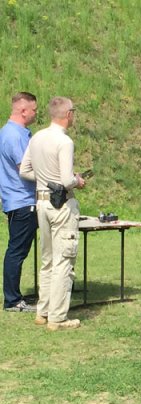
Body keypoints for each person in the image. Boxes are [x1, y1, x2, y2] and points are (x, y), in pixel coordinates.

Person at [19, 96, 87, 330]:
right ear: (68, 114)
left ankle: (43, 310)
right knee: (63, 260)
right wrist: (77, 180)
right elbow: (67, 180)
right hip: (61, 205)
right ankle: (58, 317)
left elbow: (24, 170)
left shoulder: (37, 137)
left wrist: (46, 180)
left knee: (47, 259)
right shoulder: (65, 142)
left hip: (41, 203)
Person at [0, 92, 39, 313]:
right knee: (17, 251)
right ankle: (12, 300)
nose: (36, 114)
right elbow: (24, 169)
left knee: (18, 250)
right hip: (22, 201)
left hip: (19, 200)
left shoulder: (12, 132)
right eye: (34, 110)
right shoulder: (13, 136)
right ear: (23, 111)